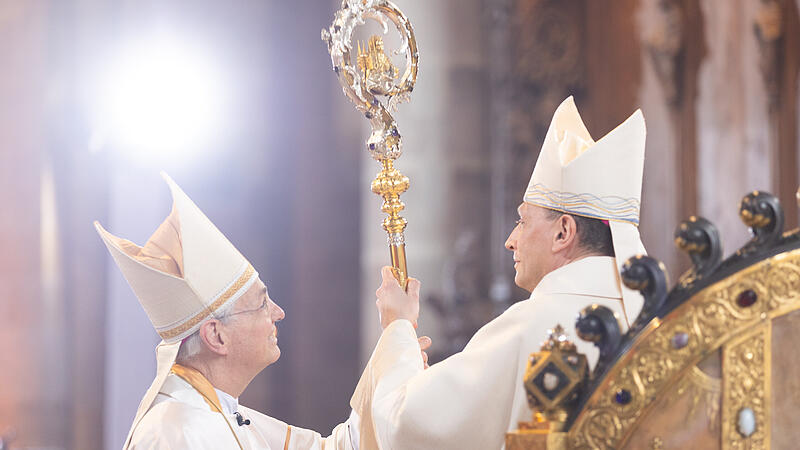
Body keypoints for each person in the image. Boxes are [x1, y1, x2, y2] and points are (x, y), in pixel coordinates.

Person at [351, 96, 648, 449]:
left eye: (522, 221)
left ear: (563, 232)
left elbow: (404, 425)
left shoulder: (534, 326)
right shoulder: (651, 321)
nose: (510, 240)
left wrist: (398, 329)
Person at [96, 173, 372, 449]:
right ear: (216, 336)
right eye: (262, 304)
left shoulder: (227, 417)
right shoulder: (172, 433)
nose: (279, 313)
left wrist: (397, 350)